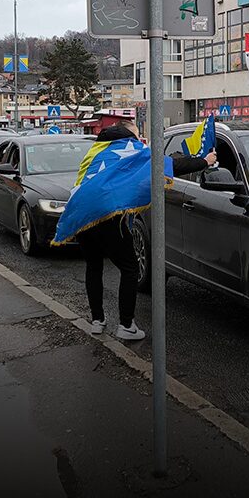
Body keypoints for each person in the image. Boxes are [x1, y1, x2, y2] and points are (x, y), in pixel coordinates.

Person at [77, 118, 216, 341]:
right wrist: (204, 161)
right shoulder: (128, 149)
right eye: (135, 135)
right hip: (110, 215)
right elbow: (166, 165)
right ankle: (126, 325)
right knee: (130, 268)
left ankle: (97, 320)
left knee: (93, 267)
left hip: (82, 215)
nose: (139, 140)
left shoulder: (96, 150)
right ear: (126, 136)